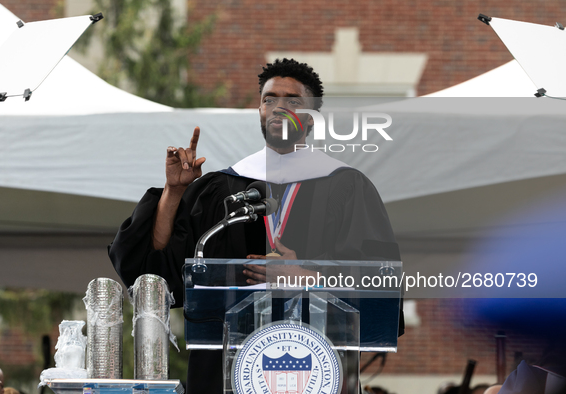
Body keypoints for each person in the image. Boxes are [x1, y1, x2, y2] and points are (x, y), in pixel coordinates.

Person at [109, 58, 402, 393]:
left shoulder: (348, 188)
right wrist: (174, 191)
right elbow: (156, 271)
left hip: (316, 369)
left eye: (293, 101)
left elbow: (381, 284)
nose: (278, 108)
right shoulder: (219, 188)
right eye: (269, 99)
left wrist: (309, 277)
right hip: (223, 374)